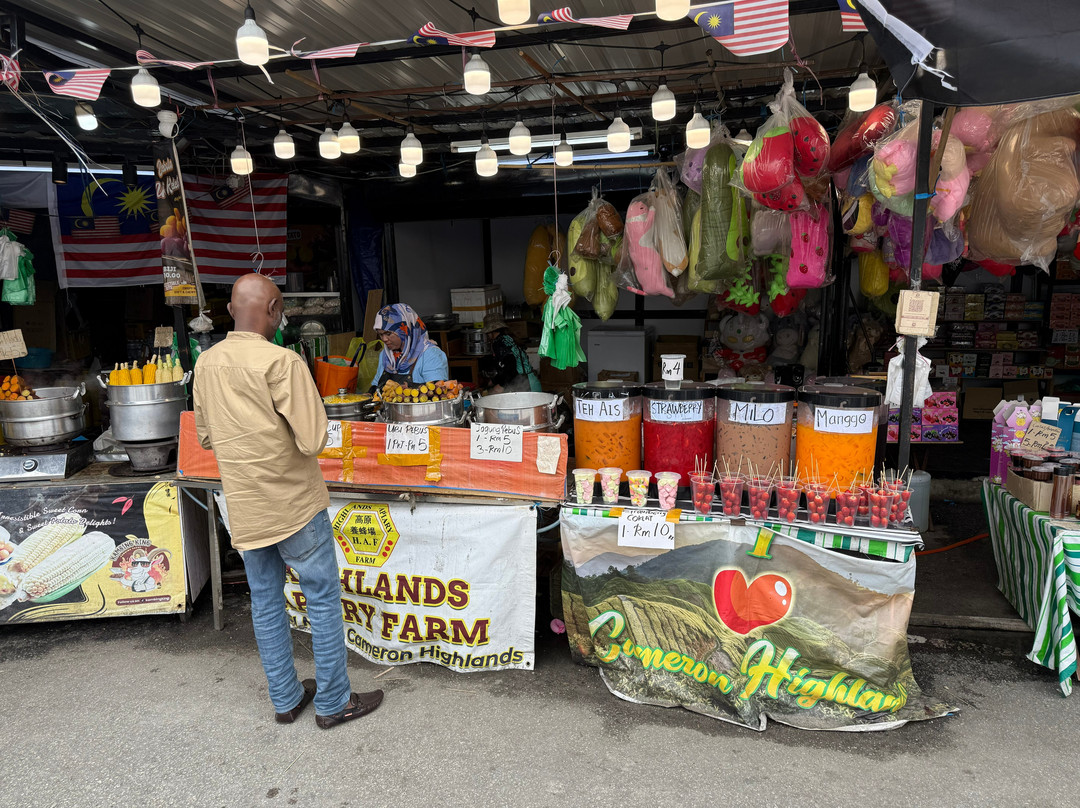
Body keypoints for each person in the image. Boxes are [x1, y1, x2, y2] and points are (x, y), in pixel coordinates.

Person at [193, 273, 383, 730]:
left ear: (231, 311)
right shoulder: (283, 362)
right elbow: (315, 437)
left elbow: (204, 436)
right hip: (295, 506)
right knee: (320, 599)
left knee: (264, 601)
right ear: (275, 310)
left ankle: (286, 699)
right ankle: (334, 703)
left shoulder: (206, 363)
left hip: (245, 506)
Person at [370, 303, 449, 389]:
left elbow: (437, 391)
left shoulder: (431, 354)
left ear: (406, 331)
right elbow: (376, 386)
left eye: (388, 333)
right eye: (381, 334)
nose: (384, 339)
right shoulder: (385, 355)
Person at [479, 317, 541, 394]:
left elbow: (511, 368)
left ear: (492, 332)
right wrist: (494, 381)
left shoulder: (500, 343)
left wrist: (501, 386)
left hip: (526, 386)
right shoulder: (508, 338)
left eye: (487, 333)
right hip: (530, 382)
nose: (487, 335)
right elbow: (504, 368)